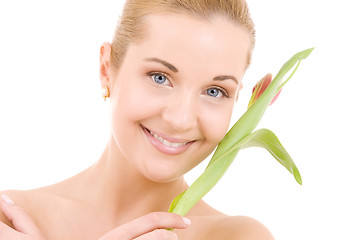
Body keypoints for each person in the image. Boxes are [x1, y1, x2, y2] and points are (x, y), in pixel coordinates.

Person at [0, 0, 274, 239]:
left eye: (215, 91)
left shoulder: (237, 237)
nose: (180, 119)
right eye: (160, 77)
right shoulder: (10, 220)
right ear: (107, 69)